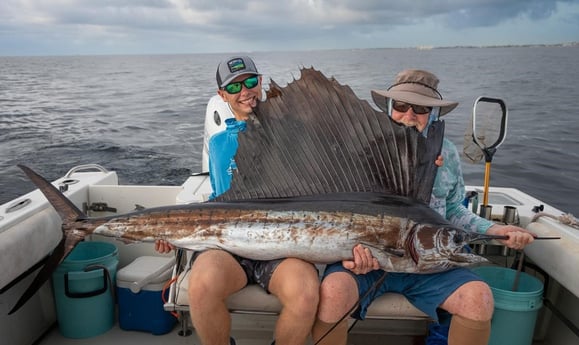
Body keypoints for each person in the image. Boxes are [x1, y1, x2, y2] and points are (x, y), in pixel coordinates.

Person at [312, 69, 536, 345]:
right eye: (402, 106)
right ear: (390, 108)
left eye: (420, 108)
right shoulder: (365, 150)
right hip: (368, 262)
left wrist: (496, 229)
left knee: (479, 298)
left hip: (430, 263)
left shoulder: (448, 153)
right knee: (333, 292)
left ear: (433, 114)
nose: (409, 115)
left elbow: (453, 210)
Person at [156, 56, 320, 345]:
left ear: (260, 82)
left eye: (250, 81)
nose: (245, 91)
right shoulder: (220, 143)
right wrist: (177, 234)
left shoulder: (293, 136)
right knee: (201, 286)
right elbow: (221, 201)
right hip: (230, 247)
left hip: (282, 246)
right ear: (222, 95)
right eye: (234, 86)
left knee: (305, 292)